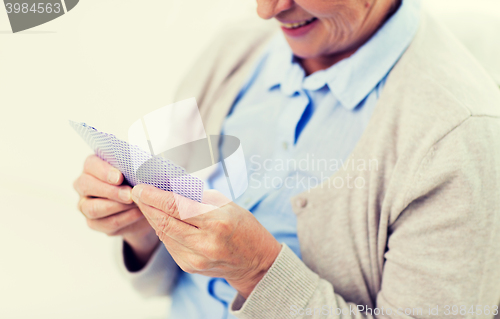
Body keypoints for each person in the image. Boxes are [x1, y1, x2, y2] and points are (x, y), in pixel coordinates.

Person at [72, 0, 500, 318]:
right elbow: (165, 281)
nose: (267, 10)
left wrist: (258, 271)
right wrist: (144, 231)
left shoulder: (460, 137)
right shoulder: (235, 52)